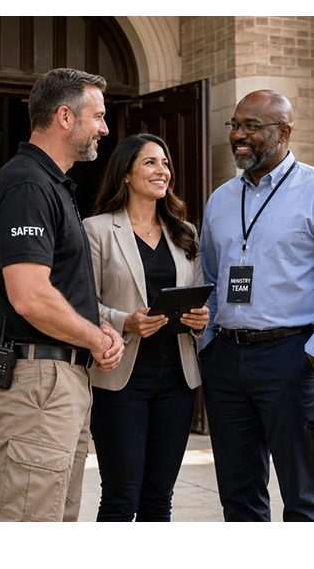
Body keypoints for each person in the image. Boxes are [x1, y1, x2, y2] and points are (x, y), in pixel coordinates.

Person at [198, 89, 314, 526]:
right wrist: (208, 343)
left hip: (291, 359)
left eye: (252, 126)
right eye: (235, 125)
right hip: (226, 359)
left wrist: (313, 353)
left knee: (302, 494)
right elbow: (209, 277)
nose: (239, 136)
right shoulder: (221, 199)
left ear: (284, 131)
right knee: (238, 495)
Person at [0, 68, 125, 523]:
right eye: (97, 116)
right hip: (36, 378)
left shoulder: (52, 184)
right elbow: (30, 296)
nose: (104, 128)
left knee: (55, 520)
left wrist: (94, 327)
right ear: (64, 116)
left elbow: (55, 288)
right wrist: (97, 340)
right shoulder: (27, 185)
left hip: (56, 378)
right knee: (29, 524)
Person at [82, 133, 209, 527]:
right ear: (126, 173)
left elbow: (199, 296)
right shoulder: (97, 229)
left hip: (177, 379)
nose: (162, 171)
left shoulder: (183, 231)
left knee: (159, 499)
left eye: (165, 163)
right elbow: (83, 303)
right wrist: (126, 321)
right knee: (121, 497)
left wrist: (200, 321)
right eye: (151, 162)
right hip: (121, 380)